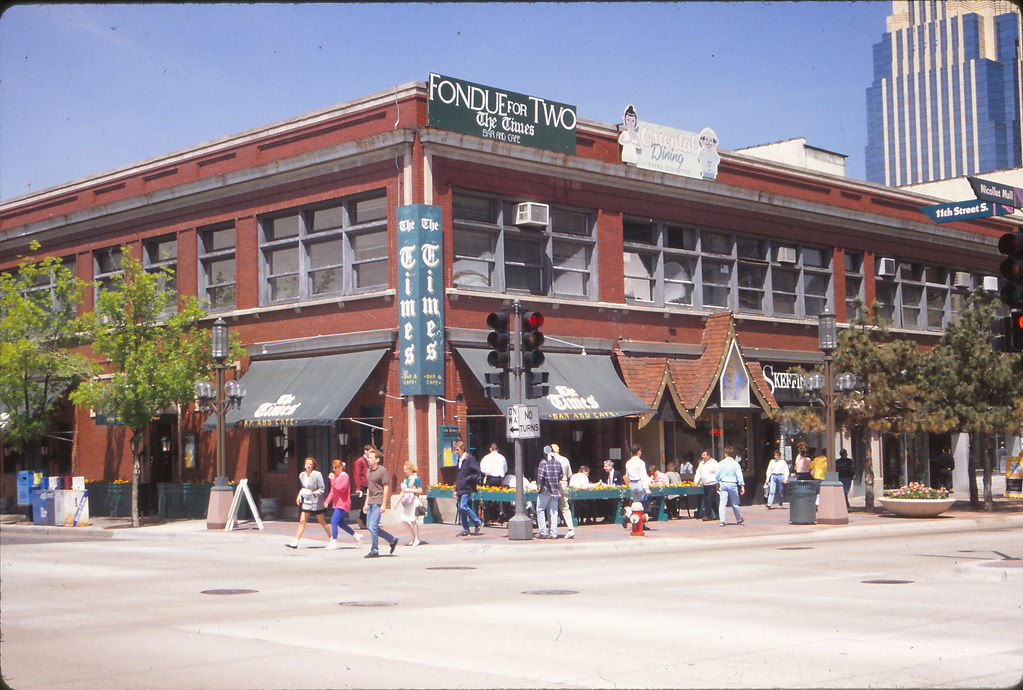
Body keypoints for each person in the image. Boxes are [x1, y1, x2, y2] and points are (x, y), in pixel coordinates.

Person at [362, 448, 399, 558]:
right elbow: (369, 488)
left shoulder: (382, 470)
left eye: (371, 458)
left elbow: (386, 487)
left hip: (378, 501)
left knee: (373, 526)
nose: (368, 460)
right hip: (370, 502)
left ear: (377, 459)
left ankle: (374, 550)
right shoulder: (368, 471)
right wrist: (365, 503)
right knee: (370, 526)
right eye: (368, 458)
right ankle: (392, 539)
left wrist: (384, 504)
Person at [287, 457, 331, 549]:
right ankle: (296, 541)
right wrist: (299, 495)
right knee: (302, 521)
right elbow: (304, 488)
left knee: (322, 521)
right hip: (306, 501)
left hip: (316, 502)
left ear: (313, 465)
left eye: (310, 464)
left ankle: (331, 538)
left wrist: (314, 493)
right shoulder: (302, 475)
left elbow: (322, 489)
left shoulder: (317, 474)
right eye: (307, 464)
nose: (308, 466)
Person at [324, 459, 361, 550]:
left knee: (334, 521)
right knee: (341, 523)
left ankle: (334, 541)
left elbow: (341, 488)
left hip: (343, 503)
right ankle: (356, 535)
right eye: (333, 468)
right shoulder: (336, 477)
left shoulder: (345, 476)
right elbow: (333, 490)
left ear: (340, 467)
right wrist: (328, 500)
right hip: (337, 503)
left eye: (335, 468)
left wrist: (332, 481)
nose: (334, 470)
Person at [453, 440, 483, 537]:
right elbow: (458, 475)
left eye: (457, 449)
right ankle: (465, 529)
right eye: (455, 450)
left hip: (467, 487)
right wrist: (455, 489)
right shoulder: (460, 460)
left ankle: (477, 521)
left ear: (462, 449)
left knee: (463, 506)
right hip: (460, 487)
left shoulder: (469, 458)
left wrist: (469, 479)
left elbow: (477, 471)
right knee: (461, 509)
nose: (456, 452)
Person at [535, 446, 564, 539]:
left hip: (545, 489)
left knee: (540, 509)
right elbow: (561, 475)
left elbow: (540, 477)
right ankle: (554, 533)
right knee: (554, 512)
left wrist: (538, 485)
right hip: (555, 490)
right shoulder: (558, 463)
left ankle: (543, 531)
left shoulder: (543, 463)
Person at [479, 443, 508, 524]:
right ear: (497, 449)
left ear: (490, 449)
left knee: (487, 497)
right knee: (500, 496)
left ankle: (487, 518)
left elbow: (482, 469)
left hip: (490, 478)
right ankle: (501, 513)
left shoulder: (486, 458)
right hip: (499, 479)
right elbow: (505, 469)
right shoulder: (502, 458)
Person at [551, 443, 576, 538]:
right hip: (564, 483)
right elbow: (570, 474)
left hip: (554, 484)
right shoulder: (565, 460)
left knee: (552, 507)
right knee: (565, 507)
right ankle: (571, 529)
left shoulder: (551, 460)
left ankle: (552, 530)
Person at [717, 446, 745, 526]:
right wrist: (742, 485)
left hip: (723, 483)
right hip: (732, 483)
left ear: (725, 454)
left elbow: (717, 474)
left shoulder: (721, 463)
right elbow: (739, 475)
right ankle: (738, 519)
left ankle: (722, 520)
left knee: (722, 503)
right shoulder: (735, 464)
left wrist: (717, 482)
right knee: (735, 503)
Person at [398, 461, 422, 546]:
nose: (405, 471)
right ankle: (412, 537)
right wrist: (397, 502)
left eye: (406, 469)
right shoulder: (405, 480)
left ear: (411, 469)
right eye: (404, 469)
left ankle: (417, 538)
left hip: (414, 500)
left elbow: (420, 490)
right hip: (406, 502)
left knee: (413, 520)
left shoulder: (416, 479)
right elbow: (402, 491)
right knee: (404, 520)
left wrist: (411, 490)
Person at [692, 450, 719, 521]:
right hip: (705, 484)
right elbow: (698, 472)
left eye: (704, 455)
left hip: (712, 484)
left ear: (709, 456)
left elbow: (718, 473)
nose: (702, 457)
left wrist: (718, 483)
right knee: (711, 500)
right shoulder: (701, 463)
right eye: (702, 455)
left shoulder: (714, 463)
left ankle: (706, 515)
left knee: (709, 500)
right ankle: (718, 514)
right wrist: (696, 481)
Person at [351, 445, 371, 528]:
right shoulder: (359, 461)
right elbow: (357, 475)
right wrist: (358, 488)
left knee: (367, 503)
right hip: (363, 485)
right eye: (370, 451)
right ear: (365, 451)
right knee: (364, 504)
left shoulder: (369, 461)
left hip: (369, 485)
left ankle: (364, 520)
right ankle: (362, 520)